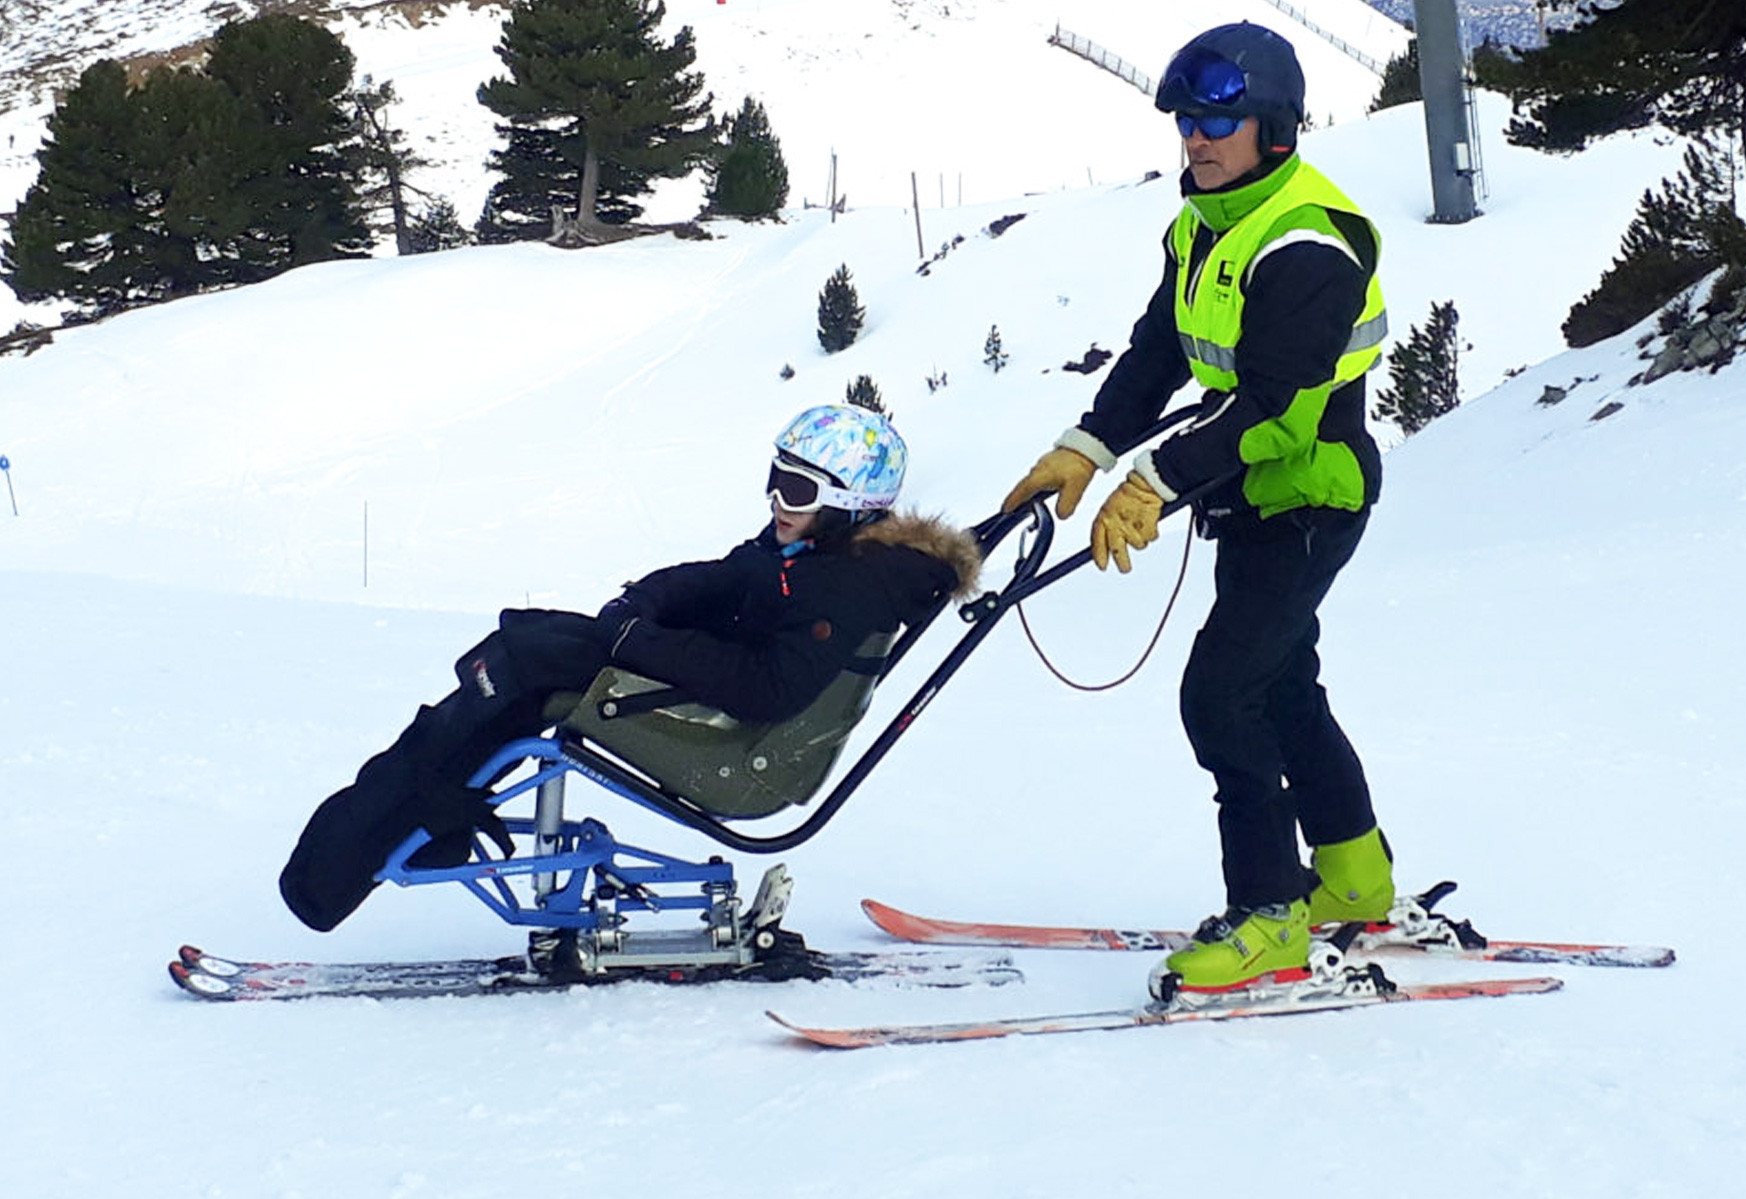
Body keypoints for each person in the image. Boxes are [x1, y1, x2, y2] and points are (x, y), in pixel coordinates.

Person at [1001, 23, 1395, 999]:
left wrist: (1157, 482)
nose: (1197, 138)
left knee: (1221, 693)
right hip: (1251, 496)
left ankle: (1269, 917)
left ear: (1273, 127)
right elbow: (1155, 355)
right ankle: (1353, 875)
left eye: (1220, 119)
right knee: (1279, 680)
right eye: (1187, 120)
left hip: (1310, 491)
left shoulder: (1309, 241)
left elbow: (1274, 409)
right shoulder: (1204, 224)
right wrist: (1086, 450)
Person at [282, 405, 980, 932]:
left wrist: (631, 644)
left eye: (796, 491)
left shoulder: (846, 585)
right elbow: (725, 578)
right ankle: (415, 826)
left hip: (742, 759)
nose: (777, 502)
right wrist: (637, 607)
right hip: (719, 721)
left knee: (530, 664)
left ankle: (368, 852)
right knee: (529, 652)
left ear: (846, 506)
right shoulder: (813, 557)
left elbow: (768, 688)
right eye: (776, 481)